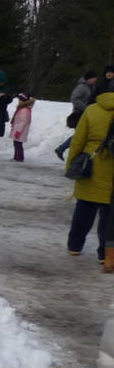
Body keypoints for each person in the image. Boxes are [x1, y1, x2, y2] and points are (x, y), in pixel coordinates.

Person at [66, 86, 114, 260]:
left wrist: (71, 166)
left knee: (84, 210)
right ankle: (104, 254)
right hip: (111, 170)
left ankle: (75, 246)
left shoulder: (91, 110)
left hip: (90, 166)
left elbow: (78, 140)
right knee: (108, 215)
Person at [54, 70, 97, 160]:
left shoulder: (91, 87)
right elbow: (74, 98)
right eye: (94, 78)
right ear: (89, 79)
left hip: (86, 114)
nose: (96, 79)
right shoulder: (82, 87)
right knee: (80, 135)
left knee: (81, 135)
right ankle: (62, 149)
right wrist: (86, 107)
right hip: (80, 114)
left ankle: (62, 149)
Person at [9, 93, 34, 161]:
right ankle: (16, 157)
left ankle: (19, 157)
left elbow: (23, 122)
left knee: (18, 144)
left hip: (20, 131)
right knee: (17, 144)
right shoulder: (22, 108)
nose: (19, 101)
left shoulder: (24, 110)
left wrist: (18, 131)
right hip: (18, 129)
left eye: (21, 100)